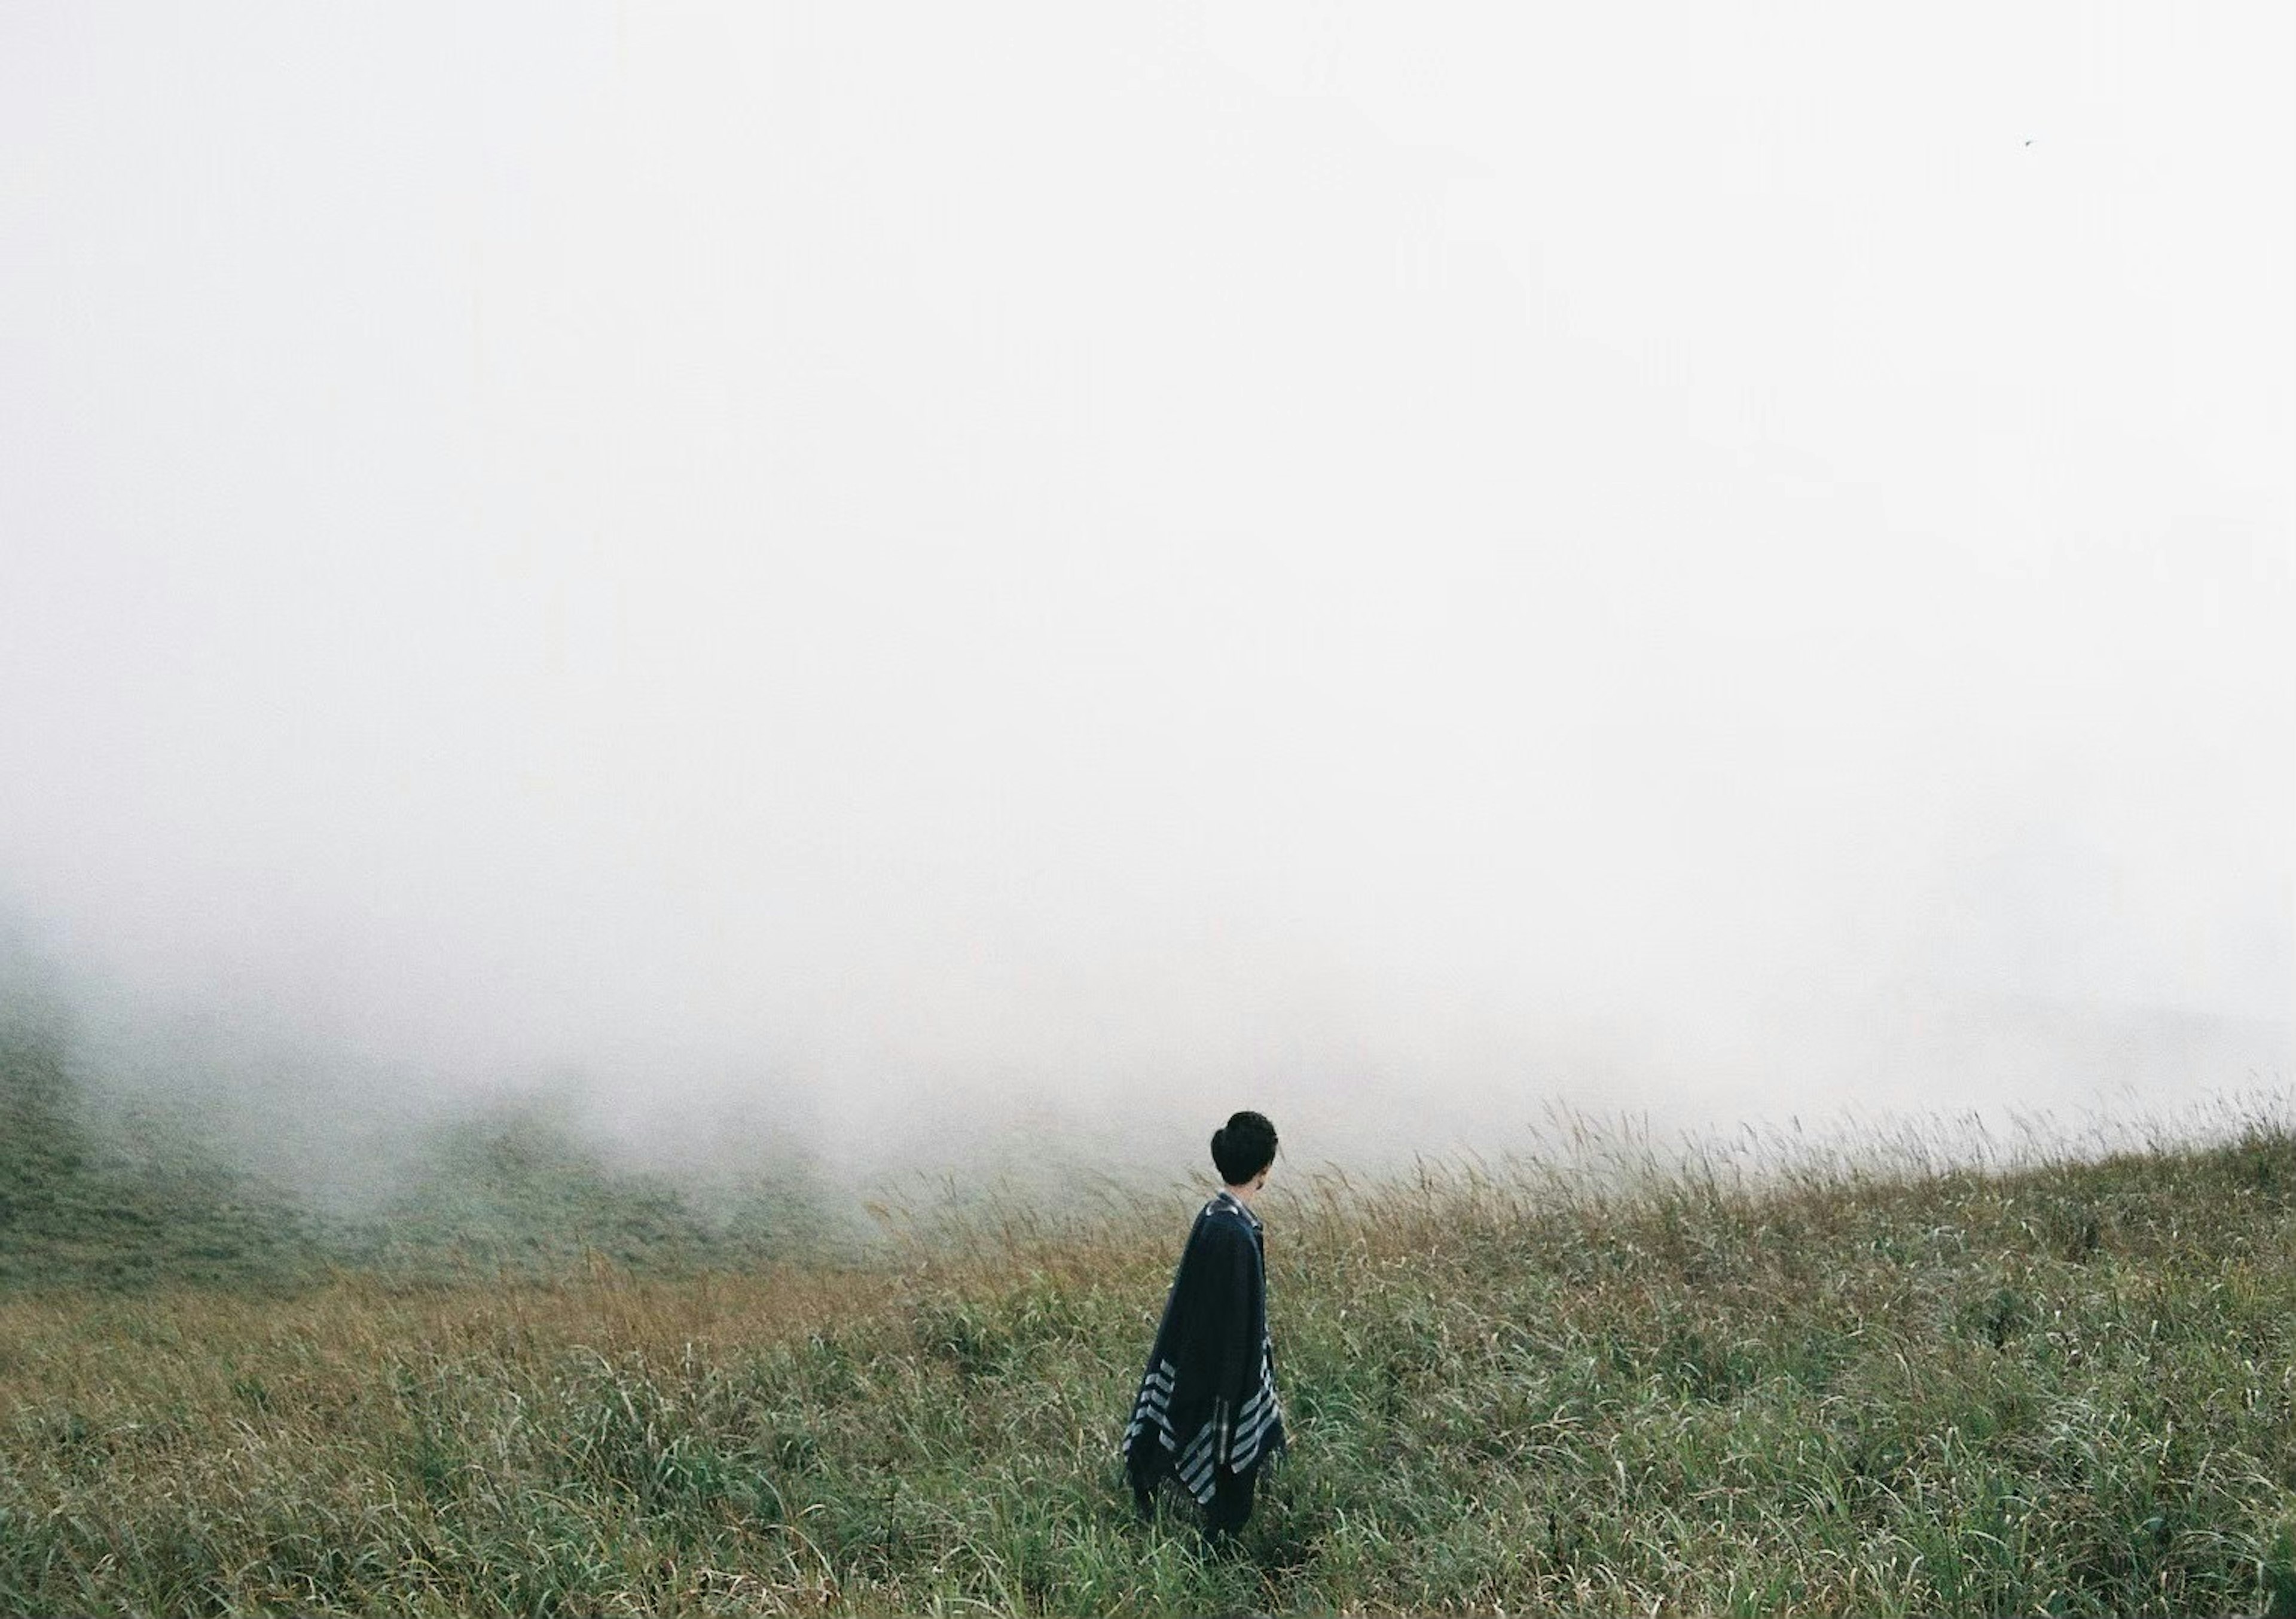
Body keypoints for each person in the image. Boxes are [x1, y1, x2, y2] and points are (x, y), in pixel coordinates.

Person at [1121, 1110, 1284, 1543]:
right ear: (1265, 1169)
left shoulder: (1215, 1215)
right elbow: (1233, 1328)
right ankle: (1215, 1535)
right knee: (1223, 1478)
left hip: (1201, 1361)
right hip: (1220, 1377)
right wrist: (1232, 1392)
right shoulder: (1234, 1234)